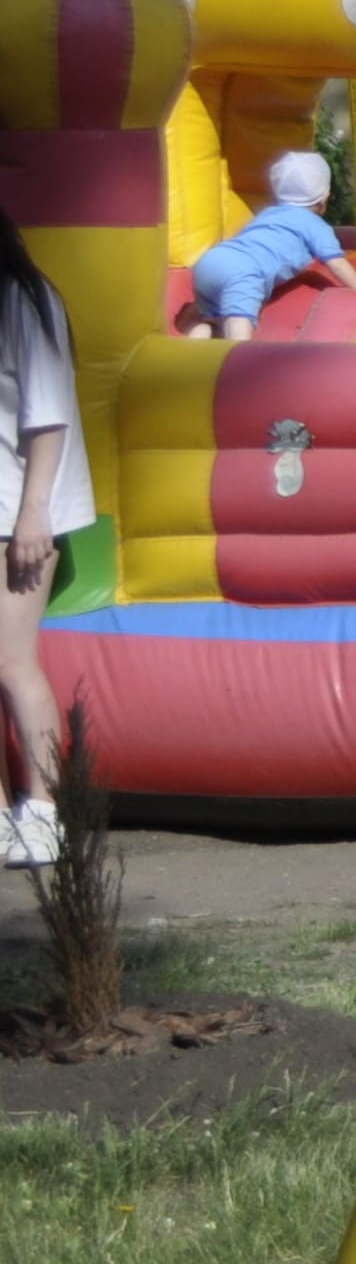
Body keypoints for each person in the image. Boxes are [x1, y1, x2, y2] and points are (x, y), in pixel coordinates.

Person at [0, 194, 89, 868]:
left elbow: (48, 413)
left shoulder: (25, 300)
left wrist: (35, 512)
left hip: (13, 515)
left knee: (13, 664)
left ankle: (45, 810)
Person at [188, 148, 356, 339]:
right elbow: (337, 264)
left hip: (211, 260)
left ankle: (188, 358)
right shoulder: (315, 225)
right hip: (244, 271)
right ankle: (238, 366)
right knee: (239, 323)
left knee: (211, 322)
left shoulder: (267, 214)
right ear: (323, 198)